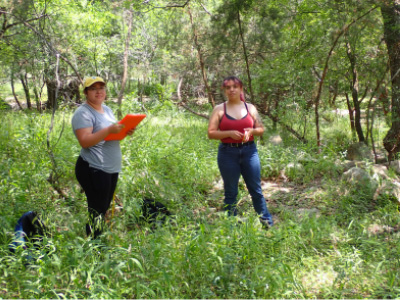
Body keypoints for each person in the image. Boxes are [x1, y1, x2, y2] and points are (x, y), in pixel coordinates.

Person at [71, 76, 134, 238]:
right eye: (93, 88)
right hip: (93, 167)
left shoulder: (106, 109)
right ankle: (94, 245)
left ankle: (96, 240)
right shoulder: (83, 113)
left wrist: (124, 132)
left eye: (101, 87)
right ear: (86, 92)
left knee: (103, 206)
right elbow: (85, 141)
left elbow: (112, 137)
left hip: (110, 167)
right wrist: (108, 130)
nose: (99, 91)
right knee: (97, 208)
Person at [207, 76, 273, 227]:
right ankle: (232, 227)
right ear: (224, 91)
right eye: (228, 87)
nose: (231, 90)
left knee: (256, 190)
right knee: (230, 192)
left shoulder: (250, 108)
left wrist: (252, 131)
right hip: (227, 153)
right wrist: (228, 133)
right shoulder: (219, 109)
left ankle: (267, 225)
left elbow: (261, 129)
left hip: (250, 151)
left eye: (235, 86)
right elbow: (211, 133)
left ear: (241, 89)